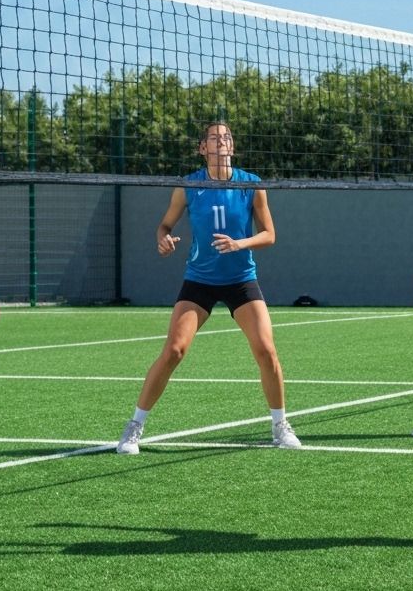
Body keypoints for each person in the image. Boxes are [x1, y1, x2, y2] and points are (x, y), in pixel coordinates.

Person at [115, 121, 302, 455]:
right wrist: (163, 240)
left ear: (233, 147)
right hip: (199, 280)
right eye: (214, 138)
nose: (221, 141)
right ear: (203, 148)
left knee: (266, 350)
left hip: (241, 279)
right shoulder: (189, 186)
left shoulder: (251, 185)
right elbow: (164, 225)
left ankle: (280, 426)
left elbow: (269, 234)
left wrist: (239, 243)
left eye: (226, 137)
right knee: (174, 350)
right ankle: (134, 428)